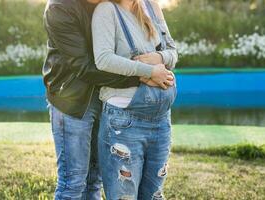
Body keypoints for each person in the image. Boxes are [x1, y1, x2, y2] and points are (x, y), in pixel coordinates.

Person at [42, 0, 174, 199]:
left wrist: (157, 61)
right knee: (73, 182)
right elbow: (85, 67)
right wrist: (143, 76)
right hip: (72, 100)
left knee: (94, 180)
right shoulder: (59, 8)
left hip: (103, 98)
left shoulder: (109, 5)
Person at [92, 0, 178, 199]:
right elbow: (103, 59)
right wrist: (148, 72)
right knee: (125, 196)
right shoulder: (106, 11)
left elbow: (173, 52)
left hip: (161, 120)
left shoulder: (151, 6)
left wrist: (159, 58)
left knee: (154, 195)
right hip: (123, 121)